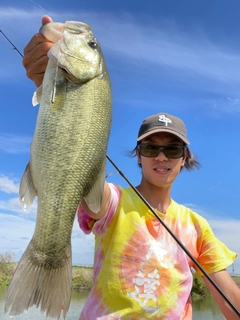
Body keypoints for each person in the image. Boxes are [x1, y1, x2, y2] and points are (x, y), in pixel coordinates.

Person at [23, 15, 240, 320]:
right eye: (151, 148)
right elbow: (81, 179)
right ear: (138, 155)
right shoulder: (114, 202)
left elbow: (231, 298)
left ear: (185, 158)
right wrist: (50, 86)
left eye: (172, 148)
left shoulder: (197, 227)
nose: (161, 157)